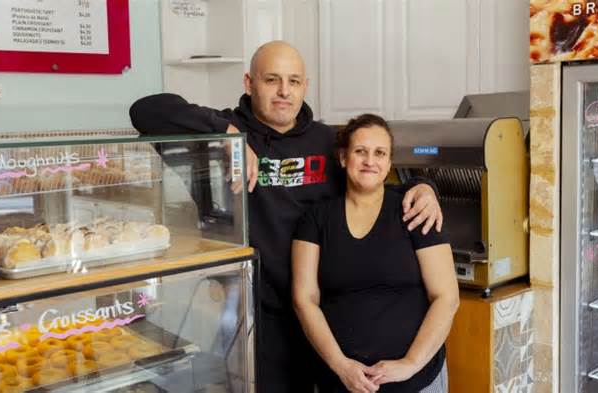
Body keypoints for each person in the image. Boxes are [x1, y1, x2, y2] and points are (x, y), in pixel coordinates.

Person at [129, 41, 443, 392]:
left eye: (294, 81)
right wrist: (226, 133)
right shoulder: (222, 132)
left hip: (326, 315)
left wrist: (422, 186)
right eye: (272, 80)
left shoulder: (327, 140)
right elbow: (145, 110)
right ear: (249, 83)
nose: (283, 92)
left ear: (305, 86)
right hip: (259, 318)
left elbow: (373, 182)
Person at [291, 114, 459, 393]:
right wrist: (341, 365)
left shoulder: (416, 212)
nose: (370, 161)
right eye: (360, 151)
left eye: (380, 153)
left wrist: (410, 363)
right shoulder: (316, 219)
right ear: (343, 158)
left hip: (416, 382)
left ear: (390, 162)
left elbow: (447, 297)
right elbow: (304, 299)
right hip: (340, 381)